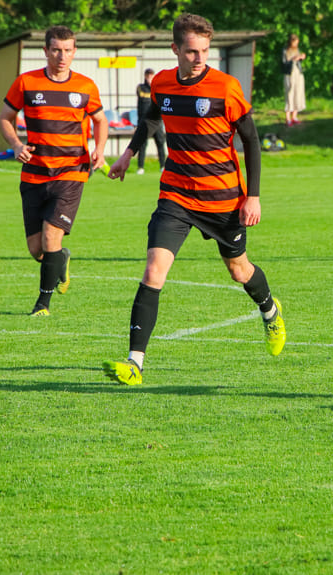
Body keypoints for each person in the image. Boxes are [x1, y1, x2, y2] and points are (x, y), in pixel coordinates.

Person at [102, 13, 286, 386]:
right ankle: (135, 362)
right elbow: (153, 117)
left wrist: (253, 196)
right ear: (176, 50)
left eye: (205, 50)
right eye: (191, 51)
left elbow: (250, 140)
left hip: (222, 200)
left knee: (239, 271)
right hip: (177, 195)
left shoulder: (225, 87)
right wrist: (128, 154)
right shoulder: (164, 84)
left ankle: (269, 310)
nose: (200, 58)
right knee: (154, 270)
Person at [0, 25, 109, 317]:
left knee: (50, 238)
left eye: (68, 50)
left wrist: (99, 148)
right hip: (34, 173)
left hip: (72, 172)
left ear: (74, 52)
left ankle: (42, 305)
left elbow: (100, 120)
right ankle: (62, 258)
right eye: (56, 50)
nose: (62, 56)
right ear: (46, 51)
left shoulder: (85, 86)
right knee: (38, 249)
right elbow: (6, 117)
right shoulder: (26, 83)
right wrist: (15, 143)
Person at [134, 68, 167, 174]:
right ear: (145, 76)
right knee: (142, 144)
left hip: (156, 121)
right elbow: (144, 96)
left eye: (151, 76)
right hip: (144, 121)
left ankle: (163, 166)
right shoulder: (141, 88)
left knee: (160, 143)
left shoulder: (157, 88)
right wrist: (150, 85)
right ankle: (140, 167)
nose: (149, 78)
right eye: (148, 76)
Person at [282, 34, 306, 126]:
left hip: (298, 73)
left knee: (298, 92)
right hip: (289, 74)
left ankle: (294, 116)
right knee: (290, 93)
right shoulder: (285, 51)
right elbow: (284, 63)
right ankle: (288, 118)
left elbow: (298, 61)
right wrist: (293, 60)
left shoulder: (297, 50)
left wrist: (301, 58)